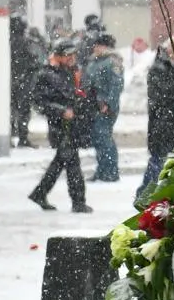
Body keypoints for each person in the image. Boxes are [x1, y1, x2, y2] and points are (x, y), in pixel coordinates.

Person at [30, 38, 93, 213]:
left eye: (73, 54)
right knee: (73, 165)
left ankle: (40, 193)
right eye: (68, 55)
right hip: (60, 126)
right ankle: (78, 202)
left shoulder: (70, 71)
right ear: (58, 56)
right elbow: (38, 101)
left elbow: (76, 94)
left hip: (73, 125)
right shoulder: (46, 74)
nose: (72, 58)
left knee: (60, 162)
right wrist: (60, 111)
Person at [137, 35, 174, 203]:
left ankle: (159, 194)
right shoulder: (158, 68)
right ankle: (144, 195)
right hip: (162, 122)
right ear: (171, 49)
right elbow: (160, 95)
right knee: (158, 161)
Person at [85, 33, 124, 182]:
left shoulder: (112, 61)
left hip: (104, 106)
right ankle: (102, 170)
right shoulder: (94, 61)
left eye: (98, 45)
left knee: (104, 137)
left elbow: (116, 84)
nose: (95, 47)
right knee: (97, 138)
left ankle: (111, 171)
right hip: (93, 105)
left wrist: (109, 103)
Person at [9, 14, 43, 147]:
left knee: (11, 110)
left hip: (10, 82)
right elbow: (36, 61)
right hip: (25, 82)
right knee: (23, 110)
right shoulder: (27, 42)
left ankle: (11, 136)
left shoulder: (5, 41)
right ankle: (23, 137)